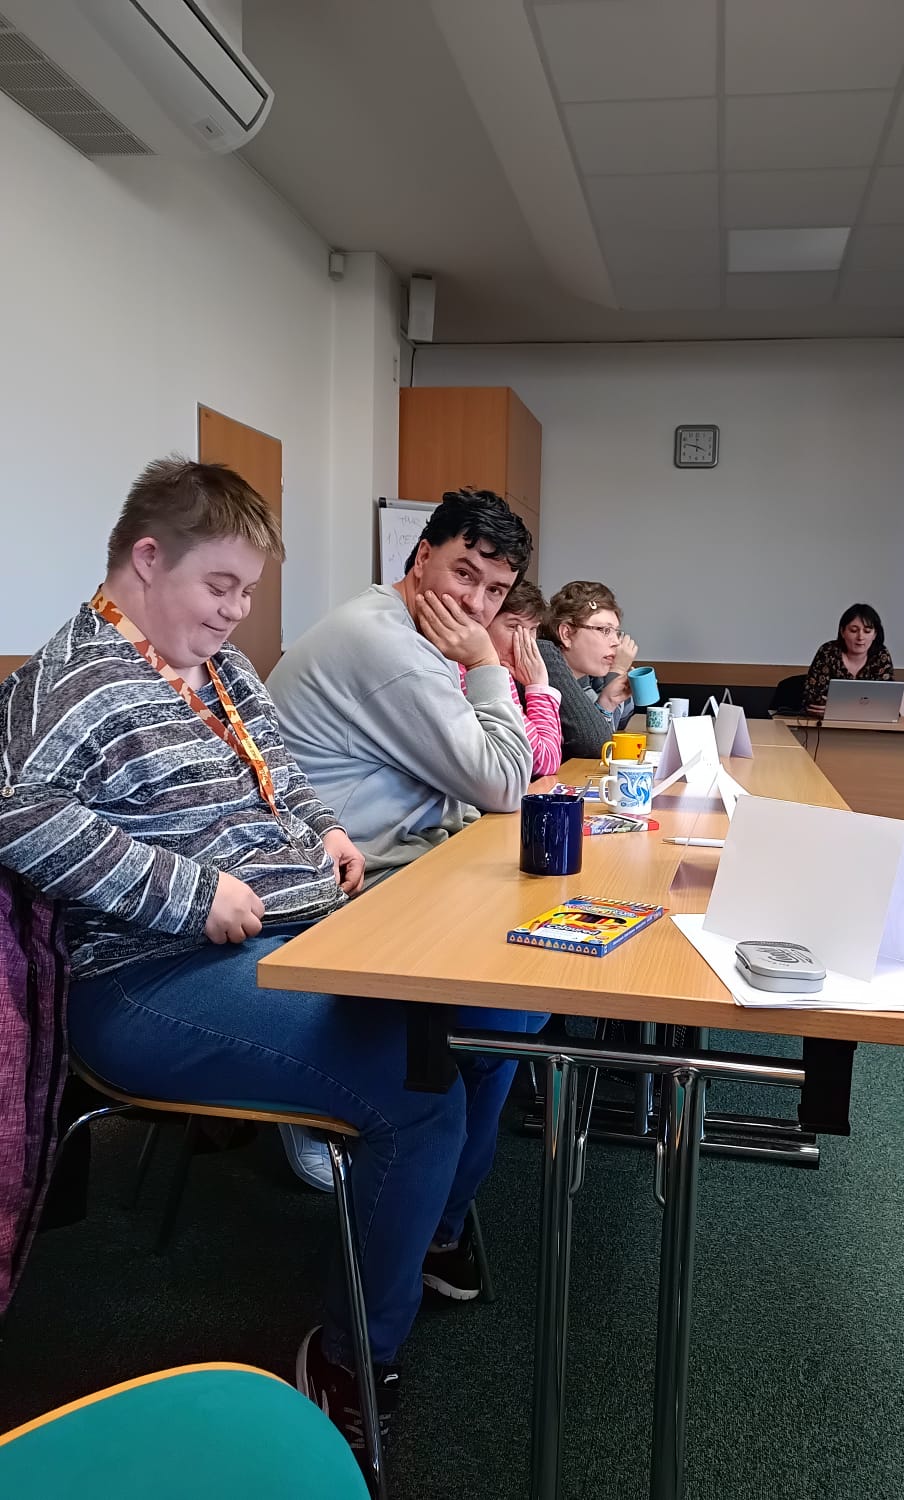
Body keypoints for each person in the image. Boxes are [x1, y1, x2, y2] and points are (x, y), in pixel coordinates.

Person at [0, 459, 494, 1463]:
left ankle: (414, 1231)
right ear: (147, 559)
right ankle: (352, 1360)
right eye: (219, 586)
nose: (235, 612)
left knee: (484, 1012)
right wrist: (190, 894)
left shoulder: (218, 668)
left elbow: (283, 774)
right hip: (147, 977)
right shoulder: (72, 681)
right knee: (420, 1091)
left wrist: (325, 830)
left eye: (248, 592)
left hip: (291, 932)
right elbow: (17, 815)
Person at [267, 488, 547, 1302]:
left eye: (495, 590)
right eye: (463, 573)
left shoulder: (416, 638)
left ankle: (438, 1221)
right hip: (339, 898)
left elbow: (470, 785)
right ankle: (435, 1224)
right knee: (504, 1018)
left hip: (403, 875)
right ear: (420, 557)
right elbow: (503, 780)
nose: (476, 602)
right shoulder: (384, 642)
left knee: (518, 1014)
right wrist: (490, 664)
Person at [537, 581, 637, 758]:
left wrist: (608, 702)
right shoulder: (545, 677)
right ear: (566, 634)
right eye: (605, 630)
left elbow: (609, 736)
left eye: (616, 632)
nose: (616, 642)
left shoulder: (585, 679)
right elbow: (595, 747)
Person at [484, 578, 562, 778]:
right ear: (483, 624)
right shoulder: (479, 674)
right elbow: (545, 761)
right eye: (513, 627)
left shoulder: (506, 672)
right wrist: (538, 687)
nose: (525, 640)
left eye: (532, 629)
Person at [802, 603, 894, 715]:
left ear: (875, 635)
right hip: (827, 723)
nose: (860, 637)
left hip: (869, 723)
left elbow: (886, 701)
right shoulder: (828, 652)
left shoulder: (881, 655)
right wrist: (859, 708)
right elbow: (813, 699)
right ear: (842, 632)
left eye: (867, 631)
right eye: (854, 630)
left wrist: (839, 709)